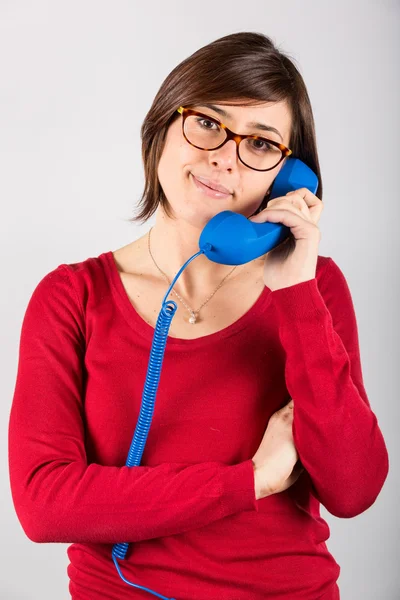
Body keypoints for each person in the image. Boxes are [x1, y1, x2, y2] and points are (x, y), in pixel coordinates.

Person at [8, 31, 389, 600]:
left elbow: (354, 488)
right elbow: (43, 503)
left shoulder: (312, 289)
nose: (223, 157)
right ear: (164, 122)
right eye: (208, 123)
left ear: (288, 178)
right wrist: (250, 481)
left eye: (260, 145)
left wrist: (297, 295)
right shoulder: (72, 298)